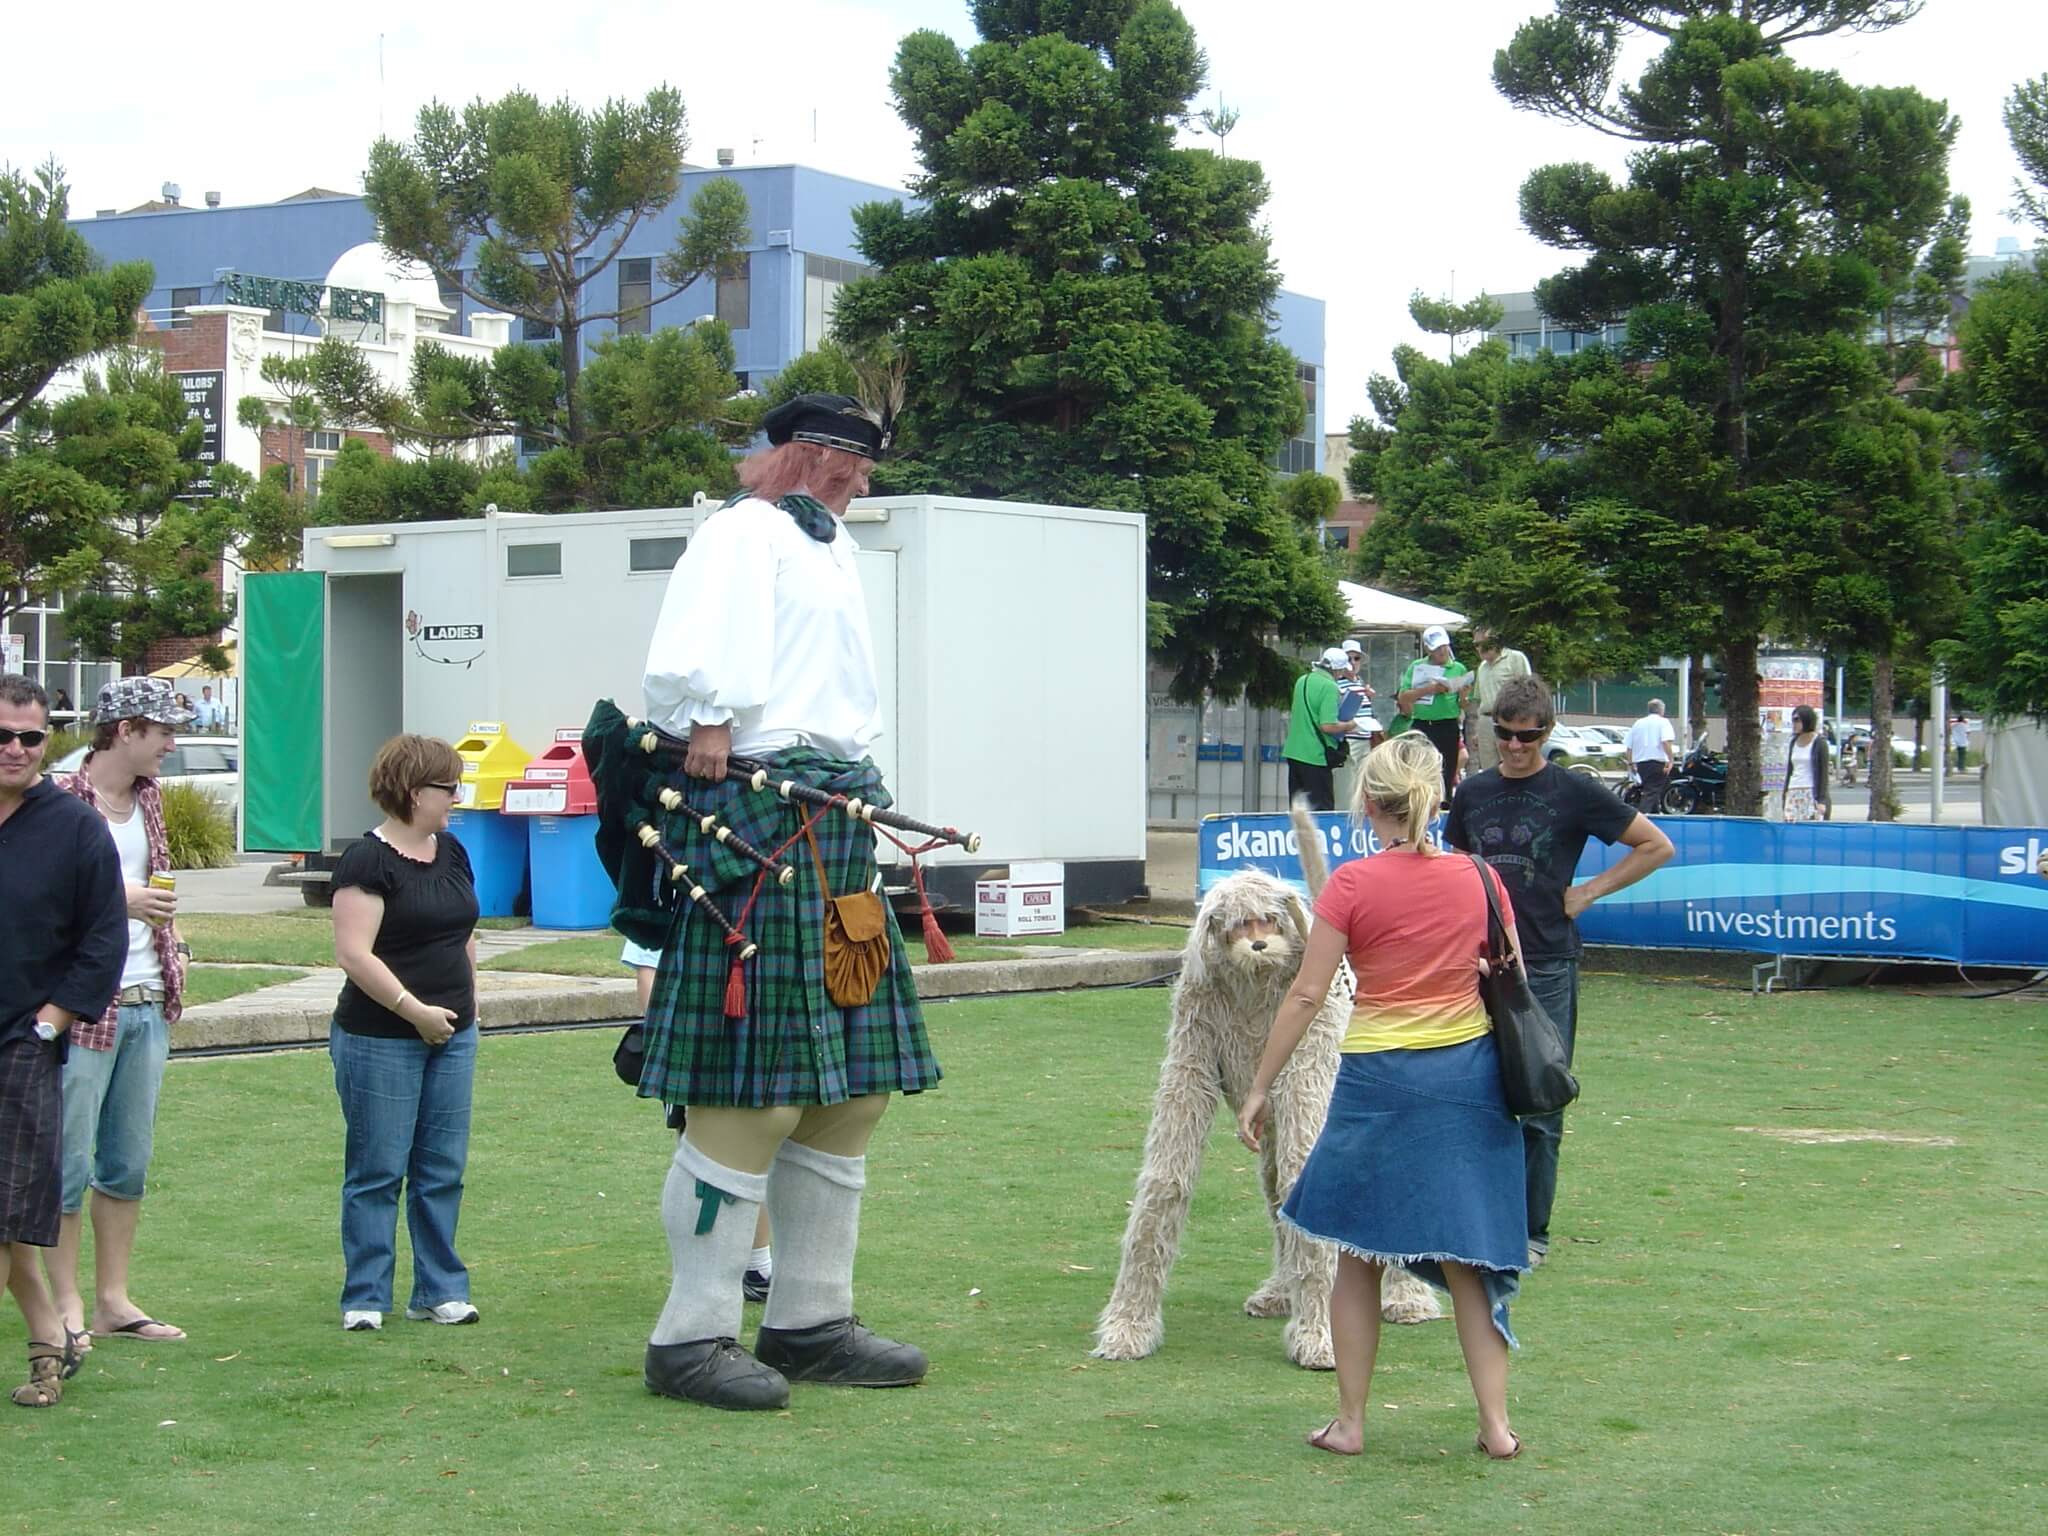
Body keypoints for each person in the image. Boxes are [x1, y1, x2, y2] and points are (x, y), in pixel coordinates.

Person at [625, 390, 939, 1411]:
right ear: (805, 457)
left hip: (836, 820)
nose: (860, 483)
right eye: (848, 465)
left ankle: (809, 1318)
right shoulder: (741, 532)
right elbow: (695, 652)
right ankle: (691, 1337)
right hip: (755, 814)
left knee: (851, 1090)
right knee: (751, 1096)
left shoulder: (833, 546)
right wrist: (707, 719)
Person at [1237, 731, 1529, 1460]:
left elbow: (1307, 993)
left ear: (1367, 800)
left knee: (1357, 1254)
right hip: (1468, 1078)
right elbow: (1509, 966)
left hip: (1377, 1083)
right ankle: (1495, 1426)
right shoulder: (1482, 878)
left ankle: (1352, 1422)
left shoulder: (1353, 884)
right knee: (1471, 1260)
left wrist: (1260, 1085)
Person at [1445, 675, 1674, 1269]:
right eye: (1505, 735)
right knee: (1473, 1095)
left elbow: (1655, 846)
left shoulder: (1573, 790)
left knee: (1541, 1098)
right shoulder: (1471, 793)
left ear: (1547, 732)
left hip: (1544, 962)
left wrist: (1590, 891)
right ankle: (1475, 1221)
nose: (1515, 747)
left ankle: (1530, 1232)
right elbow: (1453, 868)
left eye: (1527, 736)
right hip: (1478, 965)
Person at [43, 679, 195, 1354]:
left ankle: (112, 1300)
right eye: (163, 731)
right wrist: (119, 898)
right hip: (82, 1010)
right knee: (67, 1165)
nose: (171, 744)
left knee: (127, 1163)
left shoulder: (150, 800)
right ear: (127, 729)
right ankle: (64, 1305)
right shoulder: (55, 801)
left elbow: (153, 896)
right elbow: (39, 898)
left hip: (146, 1002)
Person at [0, 674, 126, 1408]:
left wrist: (51, 1021)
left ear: (49, 739)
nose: (14, 749)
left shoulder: (74, 828)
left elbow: (103, 940)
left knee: (10, 1205)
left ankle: (50, 1339)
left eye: (29, 736)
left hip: (23, 1039)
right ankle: (50, 1337)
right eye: (1, 735)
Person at [328, 734, 481, 1333]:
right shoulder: (366, 860)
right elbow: (353, 953)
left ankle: (440, 1288)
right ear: (415, 791)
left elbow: (464, 931)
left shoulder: (454, 851)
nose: (457, 798)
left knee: (442, 1167)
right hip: (381, 1035)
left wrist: (471, 1004)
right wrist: (413, 1009)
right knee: (378, 1168)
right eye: (449, 787)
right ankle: (365, 1294)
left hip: (454, 1033)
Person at [621, 938, 775, 1302]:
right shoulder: (673, 897)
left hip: (746, 1032)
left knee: (754, 1150)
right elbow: (649, 976)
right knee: (701, 1159)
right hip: (694, 1042)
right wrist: (668, 1048)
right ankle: (708, 1268)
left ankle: (755, 1264)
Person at [1394, 625, 1470, 805]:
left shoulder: (1458, 667)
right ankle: (1421, 804)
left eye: (1444, 646)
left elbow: (1463, 704)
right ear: (1428, 648)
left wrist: (1464, 693)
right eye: (1437, 648)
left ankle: (1445, 804)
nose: (1442, 651)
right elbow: (1403, 697)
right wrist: (1430, 689)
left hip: (1447, 724)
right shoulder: (1417, 666)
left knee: (1447, 769)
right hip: (1422, 724)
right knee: (1420, 768)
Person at [1281, 648, 1357, 813]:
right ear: (1336, 669)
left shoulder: (1303, 680)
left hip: (1294, 752)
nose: (1342, 674)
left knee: (1299, 809)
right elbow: (1327, 726)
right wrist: (1349, 725)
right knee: (1322, 810)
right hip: (1315, 756)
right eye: (1342, 670)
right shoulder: (1330, 687)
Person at [1468, 628, 1531, 774]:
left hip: (1509, 720)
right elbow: (1479, 700)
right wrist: (1478, 730)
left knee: (1512, 765)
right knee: (1488, 769)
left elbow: (1528, 692)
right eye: (1476, 645)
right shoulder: (1482, 667)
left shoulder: (1515, 658)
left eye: (1483, 643)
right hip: (1486, 721)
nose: (1480, 648)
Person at [1782, 706, 1832, 823]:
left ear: (1807, 720)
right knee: (1791, 827)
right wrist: (1785, 794)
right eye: (1793, 720)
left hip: (1811, 791)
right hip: (1793, 790)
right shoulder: (1793, 742)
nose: (1794, 724)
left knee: (1812, 827)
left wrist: (1821, 800)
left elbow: (1823, 773)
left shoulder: (1819, 743)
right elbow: (1790, 770)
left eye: (1797, 720)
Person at [1626, 699, 1679, 808]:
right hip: (1658, 762)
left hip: (1641, 763)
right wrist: (1670, 760)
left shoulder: (1638, 723)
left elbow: (1629, 747)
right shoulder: (1663, 722)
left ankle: (1654, 815)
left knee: (1652, 791)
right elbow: (1665, 742)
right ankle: (1642, 817)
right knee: (1652, 792)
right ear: (1661, 710)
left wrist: (1631, 763)